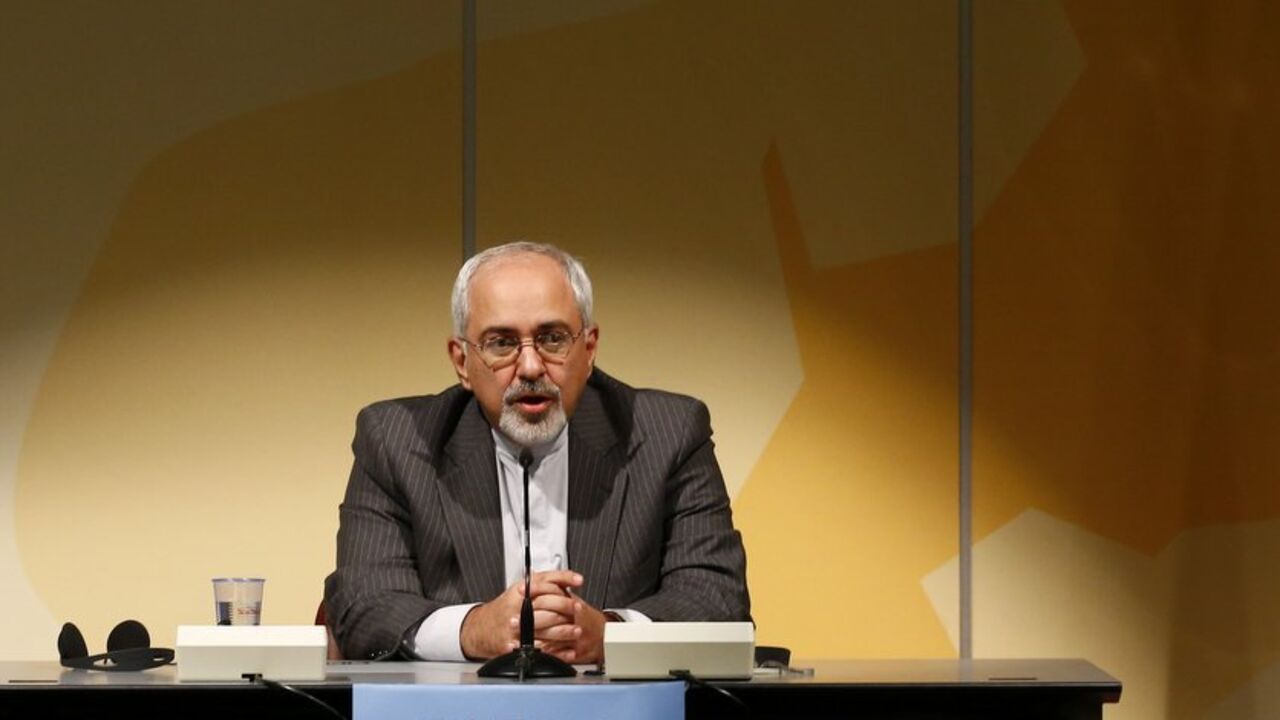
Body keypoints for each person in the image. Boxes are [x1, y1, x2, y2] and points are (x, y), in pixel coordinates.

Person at [324, 241, 749, 664]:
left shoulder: (668, 434)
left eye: (552, 338)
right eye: (501, 343)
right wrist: (475, 629)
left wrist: (611, 636)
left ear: (589, 348)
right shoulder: (396, 440)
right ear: (461, 361)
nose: (530, 367)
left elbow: (718, 602)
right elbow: (364, 606)